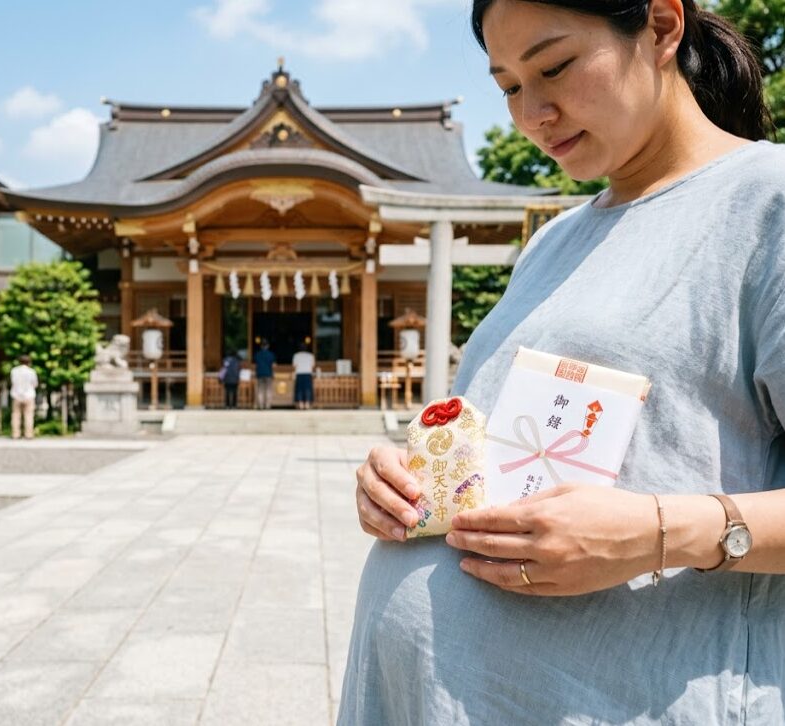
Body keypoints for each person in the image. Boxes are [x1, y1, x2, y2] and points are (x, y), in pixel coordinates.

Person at [341, 2, 785, 724]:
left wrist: (655, 533)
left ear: (663, 27)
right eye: (508, 86)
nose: (532, 113)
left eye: (554, 67)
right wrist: (403, 485)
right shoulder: (551, 243)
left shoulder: (768, 201)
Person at [9, 354, 38, 440]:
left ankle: (15, 434)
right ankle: (28, 435)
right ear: (29, 362)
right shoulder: (31, 371)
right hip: (29, 395)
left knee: (15, 415)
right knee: (29, 416)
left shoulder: (14, 371)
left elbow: (12, 382)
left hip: (16, 395)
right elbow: (35, 384)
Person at [292, 342, 315, 410]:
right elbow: (313, 365)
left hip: (299, 373)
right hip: (308, 373)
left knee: (299, 389)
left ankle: (301, 405)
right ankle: (307, 405)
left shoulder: (296, 355)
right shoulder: (310, 355)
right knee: (308, 389)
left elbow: (294, 365)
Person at [254, 339, 276, 410]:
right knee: (268, 390)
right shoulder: (271, 354)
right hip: (268, 373)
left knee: (260, 390)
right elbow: (273, 365)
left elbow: (256, 364)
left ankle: (261, 406)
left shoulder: (257, 354)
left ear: (261, 346)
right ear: (268, 346)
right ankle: (267, 406)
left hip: (259, 373)